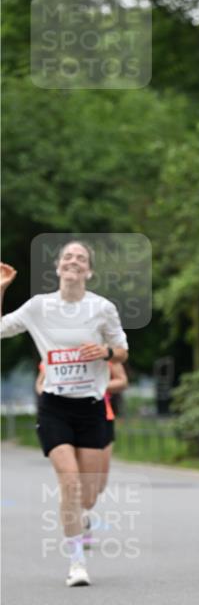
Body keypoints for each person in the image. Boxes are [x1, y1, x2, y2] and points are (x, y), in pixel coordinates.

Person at [0, 242, 129, 586]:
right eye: (68, 257)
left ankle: (80, 520)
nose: (74, 262)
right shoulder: (39, 306)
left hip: (90, 407)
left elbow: (122, 352)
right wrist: (1, 290)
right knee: (69, 482)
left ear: (88, 271)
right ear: (58, 267)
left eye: (81, 259)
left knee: (87, 494)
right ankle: (76, 562)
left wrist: (105, 351)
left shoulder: (102, 308)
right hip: (54, 405)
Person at [36, 356, 129, 548]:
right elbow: (41, 384)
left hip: (100, 416)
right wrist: (59, 392)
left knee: (97, 484)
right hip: (63, 416)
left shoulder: (103, 347)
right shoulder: (56, 348)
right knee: (70, 477)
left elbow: (122, 380)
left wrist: (92, 386)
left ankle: (84, 510)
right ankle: (76, 521)